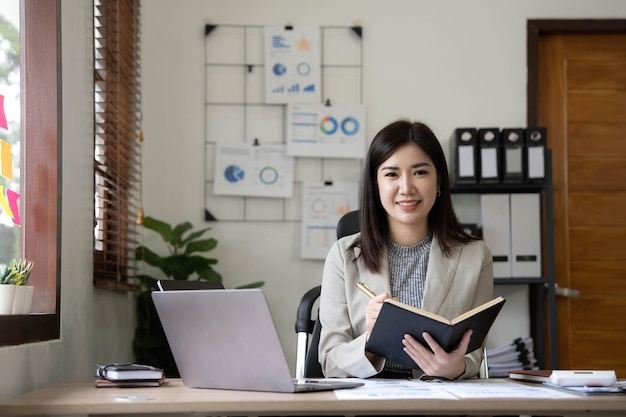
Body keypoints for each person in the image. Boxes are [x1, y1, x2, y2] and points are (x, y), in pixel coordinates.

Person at [318, 119, 493, 380]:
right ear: (375, 185)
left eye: (420, 172)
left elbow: (474, 353)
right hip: (367, 401)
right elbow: (330, 362)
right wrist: (370, 338)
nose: (406, 188)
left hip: (440, 400)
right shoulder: (344, 255)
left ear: (440, 180)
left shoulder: (475, 255)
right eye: (391, 174)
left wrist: (455, 368)